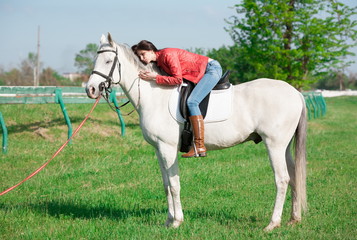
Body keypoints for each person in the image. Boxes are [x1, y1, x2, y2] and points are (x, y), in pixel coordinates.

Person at [132, 40, 222, 158]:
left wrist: (156, 77)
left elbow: (178, 79)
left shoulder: (167, 55)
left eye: (143, 54)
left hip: (211, 69)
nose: (142, 58)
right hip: (204, 71)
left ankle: (199, 146)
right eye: (139, 56)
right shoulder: (159, 62)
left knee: (192, 102)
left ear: (151, 50)